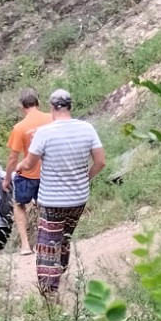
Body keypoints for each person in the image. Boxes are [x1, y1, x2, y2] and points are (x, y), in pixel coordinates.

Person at [26, 89, 104, 298]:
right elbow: (100, 162)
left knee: (48, 241)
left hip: (53, 200)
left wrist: (19, 167)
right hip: (78, 199)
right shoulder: (87, 128)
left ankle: (49, 289)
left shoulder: (44, 132)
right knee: (65, 235)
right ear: (71, 105)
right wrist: (85, 178)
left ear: (52, 107)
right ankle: (60, 268)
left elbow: (30, 163)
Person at [4, 89, 51, 254]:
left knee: (19, 204)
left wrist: (7, 178)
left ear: (21, 106)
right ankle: (46, 242)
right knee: (45, 206)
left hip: (27, 174)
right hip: (49, 173)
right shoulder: (52, 118)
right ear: (38, 102)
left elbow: (13, 158)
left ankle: (25, 245)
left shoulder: (19, 128)